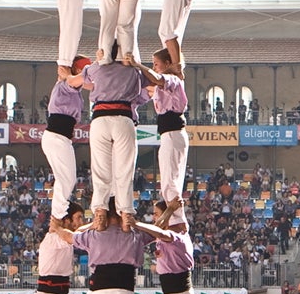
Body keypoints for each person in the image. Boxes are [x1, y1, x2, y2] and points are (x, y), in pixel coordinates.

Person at [84, 50, 149, 220]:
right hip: (123, 118)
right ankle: (126, 211)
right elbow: (151, 84)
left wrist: (97, 63)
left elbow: (80, 80)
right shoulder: (133, 70)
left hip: (100, 118)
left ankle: (99, 210)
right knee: (124, 171)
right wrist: (135, 64)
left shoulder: (97, 68)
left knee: (100, 170)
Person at [42, 60, 90, 220]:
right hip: (57, 136)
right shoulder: (65, 85)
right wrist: (68, 74)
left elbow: (93, 84)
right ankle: (58, 216)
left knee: (66, 179)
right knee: (67, 179)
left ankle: (59, 214)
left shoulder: (73, 89)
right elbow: (78, 80)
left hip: (60, 137)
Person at [140, 51, 189, 205]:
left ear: (167, 64)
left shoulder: (172, 79)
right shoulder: (162, 87)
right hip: (169, 133)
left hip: (172, 132)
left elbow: (156, 78)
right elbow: (150, 85)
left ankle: (173, 214)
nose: (154, 66)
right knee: (169, 177)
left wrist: (137, 64)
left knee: (170, 179)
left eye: (156, 63)